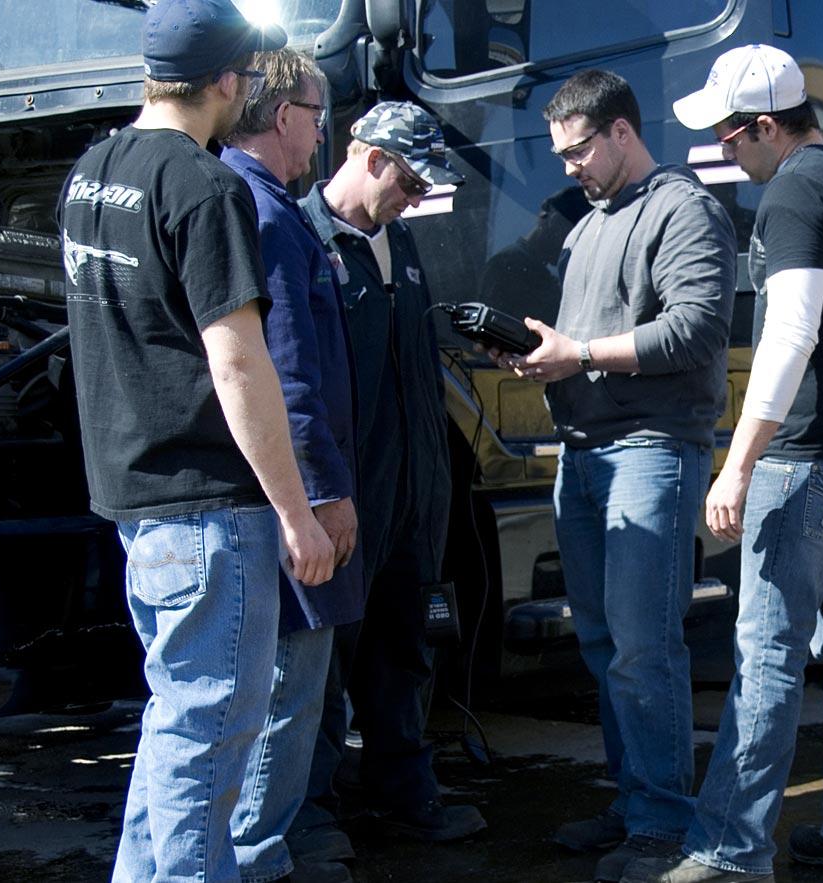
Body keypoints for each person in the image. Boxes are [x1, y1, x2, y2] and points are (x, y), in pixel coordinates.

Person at [57, 1, 336, 880]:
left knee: (177, 725)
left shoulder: (92, 172)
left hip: (135, 501)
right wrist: (297, 514)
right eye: (246, 75)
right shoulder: (205, 186)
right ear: (225, 80)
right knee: (211, 739)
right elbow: (241, 367)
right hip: (210, 509)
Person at [626, 44, 823, 883]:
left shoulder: (791, 193)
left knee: (768, 652)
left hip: (807, 462)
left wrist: (740, 462)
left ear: (761, 128)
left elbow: (789, 333)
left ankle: (728, 848)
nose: (722, 151)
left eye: (726, 135)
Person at [501, 69, 736, 883]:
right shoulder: (588, 225)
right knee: (604, 643)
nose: (568, 166)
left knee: (644, 646)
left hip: (652, 449)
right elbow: (587, 337)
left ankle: (663, 824)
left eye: (578, 150)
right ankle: (637, 798)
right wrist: (541, 353)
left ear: (623, 132)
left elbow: (697, 330)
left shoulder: (684, 210)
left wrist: (583, 353)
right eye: (561, 152)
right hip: (585, 450)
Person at [289, 101, 486, 862]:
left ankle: (403, 788)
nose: (416, 197)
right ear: (367, 157)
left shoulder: (399, 244)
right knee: (324, 657)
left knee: (405, 643)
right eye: (408, 180)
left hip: (413, 493)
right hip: (346, 493)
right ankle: (308, 809)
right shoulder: (305, 239)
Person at [219, 48, 365, 883]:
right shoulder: (270, 216)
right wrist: (321, 498)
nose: (320, 135)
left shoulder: (254, 202)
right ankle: (256, 860)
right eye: (316, 116)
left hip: (264, 497)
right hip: (292, 501)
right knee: (285, 697)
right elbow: (289, 375)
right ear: (283, 117)